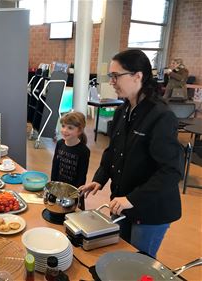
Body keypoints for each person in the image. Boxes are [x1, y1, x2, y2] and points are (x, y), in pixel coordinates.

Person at [79, 50, 183, 258]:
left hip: (151, 210)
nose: (113, 82)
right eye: (111, 76)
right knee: (120, 257)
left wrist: (132, 199)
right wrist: (99, 179)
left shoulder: (161, 116)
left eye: (116, 76)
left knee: (136, 265)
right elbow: (113, 151)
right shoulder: (122, 110)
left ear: (138, 76)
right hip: (123, 203)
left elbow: (172, 171)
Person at [51, 112, 90, 210]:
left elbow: (81, 177)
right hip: (59, 191)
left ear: (80, 130)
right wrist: (53, 188)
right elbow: (54, 167)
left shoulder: (84, 151)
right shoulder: (60, 144)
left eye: (70, 128)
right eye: (63, 126)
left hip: (73, 194)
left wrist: (74, 196)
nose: (64, 130)